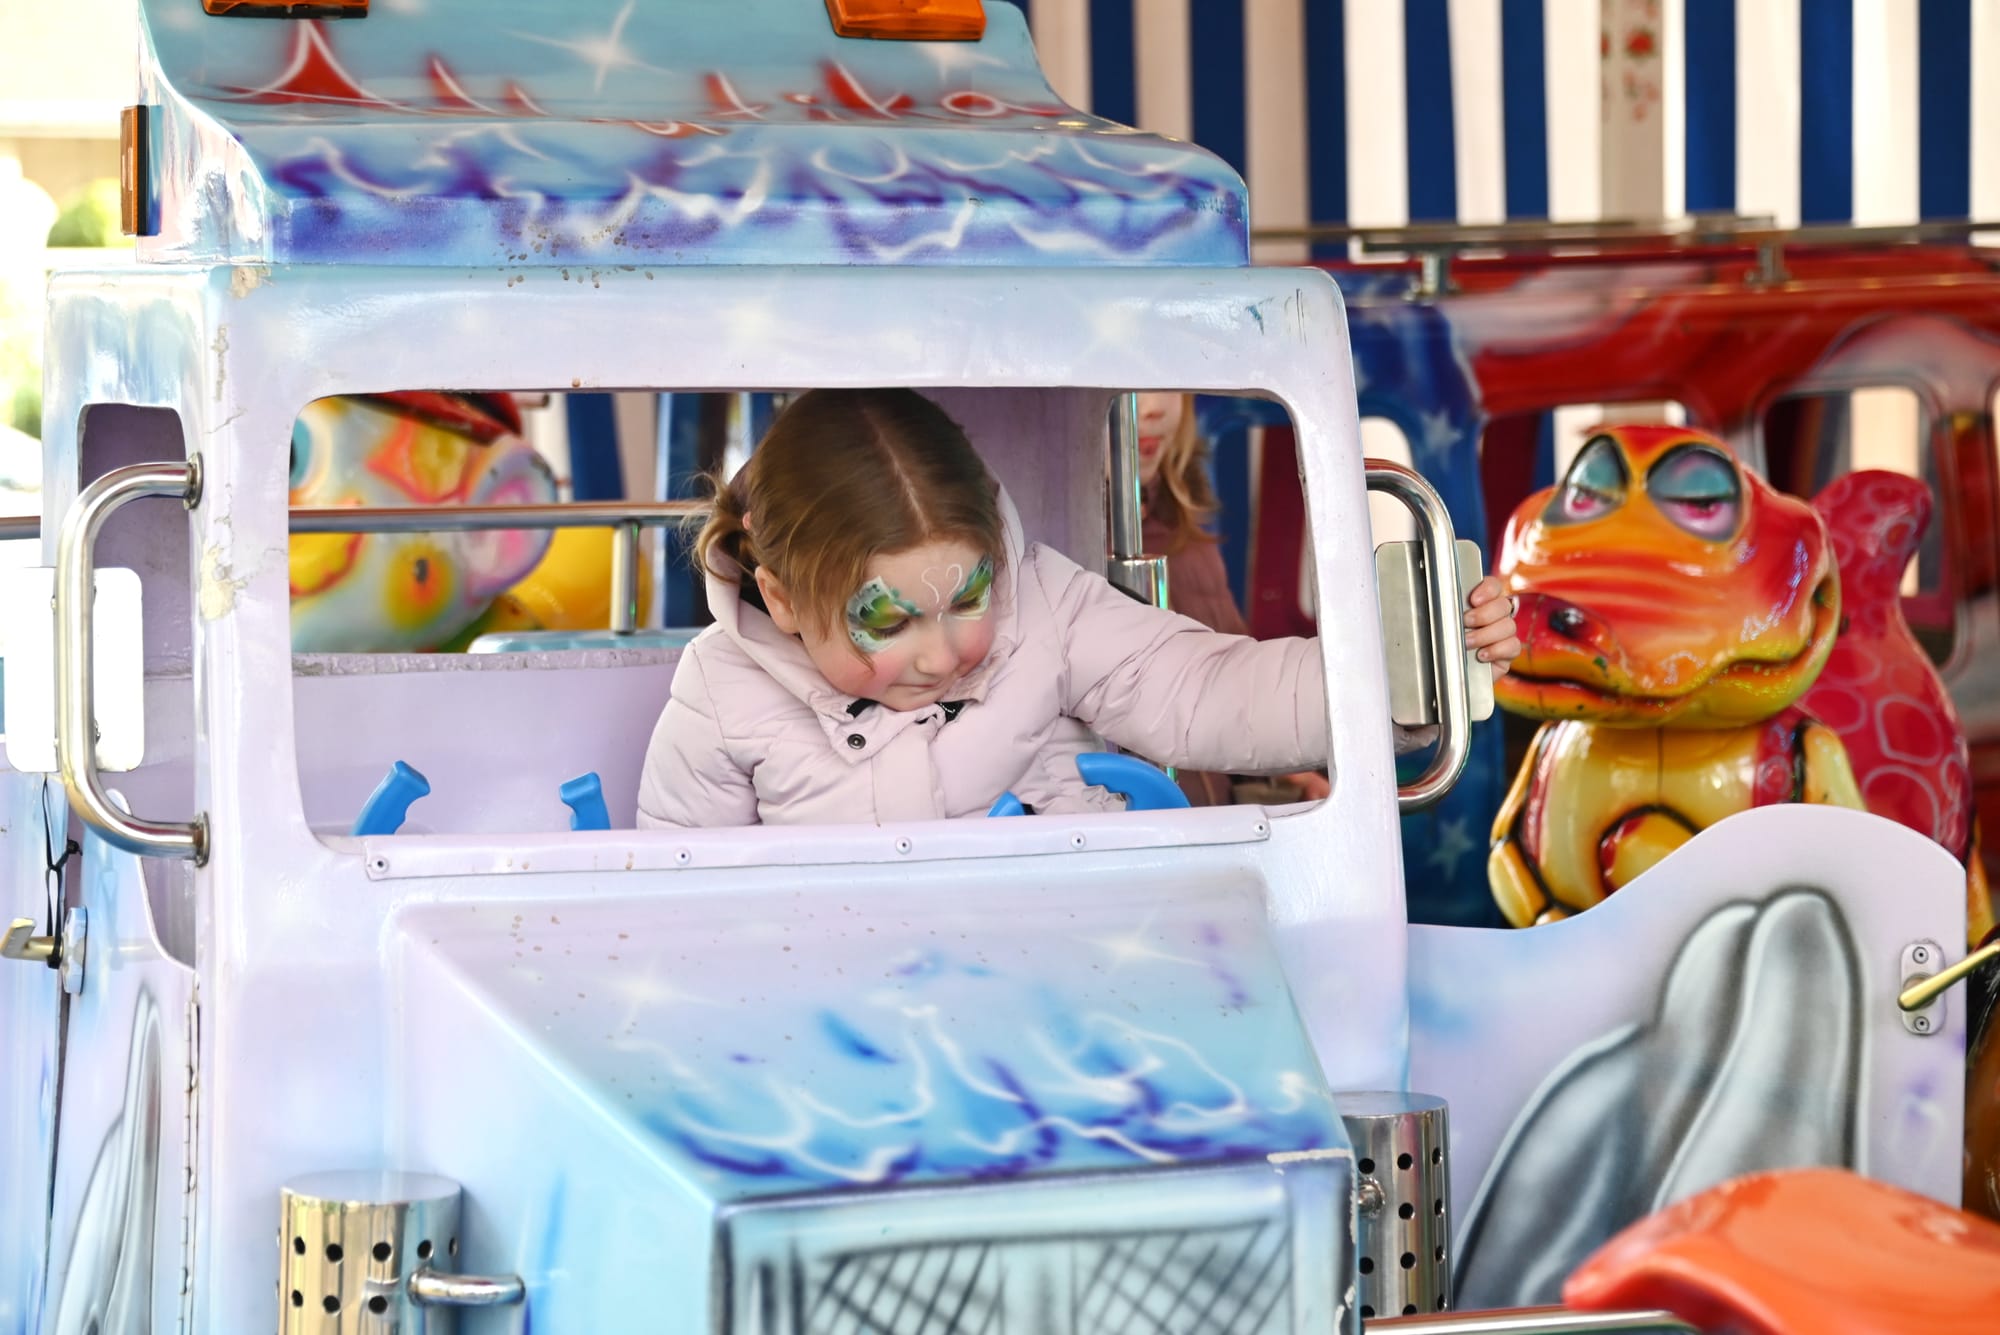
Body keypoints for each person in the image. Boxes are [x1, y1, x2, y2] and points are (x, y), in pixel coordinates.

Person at [637, 389, 1519, 828]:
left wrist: (1413, 668)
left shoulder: (1044, 606)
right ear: (784, 599)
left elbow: (1208, 690)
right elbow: (681, 907)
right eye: (887, 620)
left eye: (968, 598)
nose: (941, 653)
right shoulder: (721, 696)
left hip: (1076, 971)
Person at [1136, 391, 1326, 805]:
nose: (1152, 408)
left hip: (1208, 808)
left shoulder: (1184, 530)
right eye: (1125, 383)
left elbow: (1233, 680)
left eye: (1162, 382)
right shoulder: (1070, 542)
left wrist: (1285, 767)